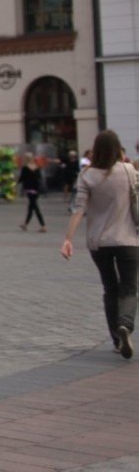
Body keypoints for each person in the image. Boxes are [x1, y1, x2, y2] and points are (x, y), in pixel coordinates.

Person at [60, 130, 139, 358]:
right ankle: (125, 324)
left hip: (99, 242)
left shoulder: (86, 175)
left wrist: (68, 239)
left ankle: (116, 339)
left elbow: (79, 209)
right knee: (129, 287)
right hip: (128, 240)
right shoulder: (128, 170)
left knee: (110, 289)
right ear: (117, 148)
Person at [18, 153, 47, 231]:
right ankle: (25, 224)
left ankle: (43, 225)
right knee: (31, 207)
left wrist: (15, 184)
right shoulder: (37, 167)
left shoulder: (25, 168)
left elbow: (21, 178)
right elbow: (40, 178)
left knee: (35, 207)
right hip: (37, 190)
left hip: (29, 189)